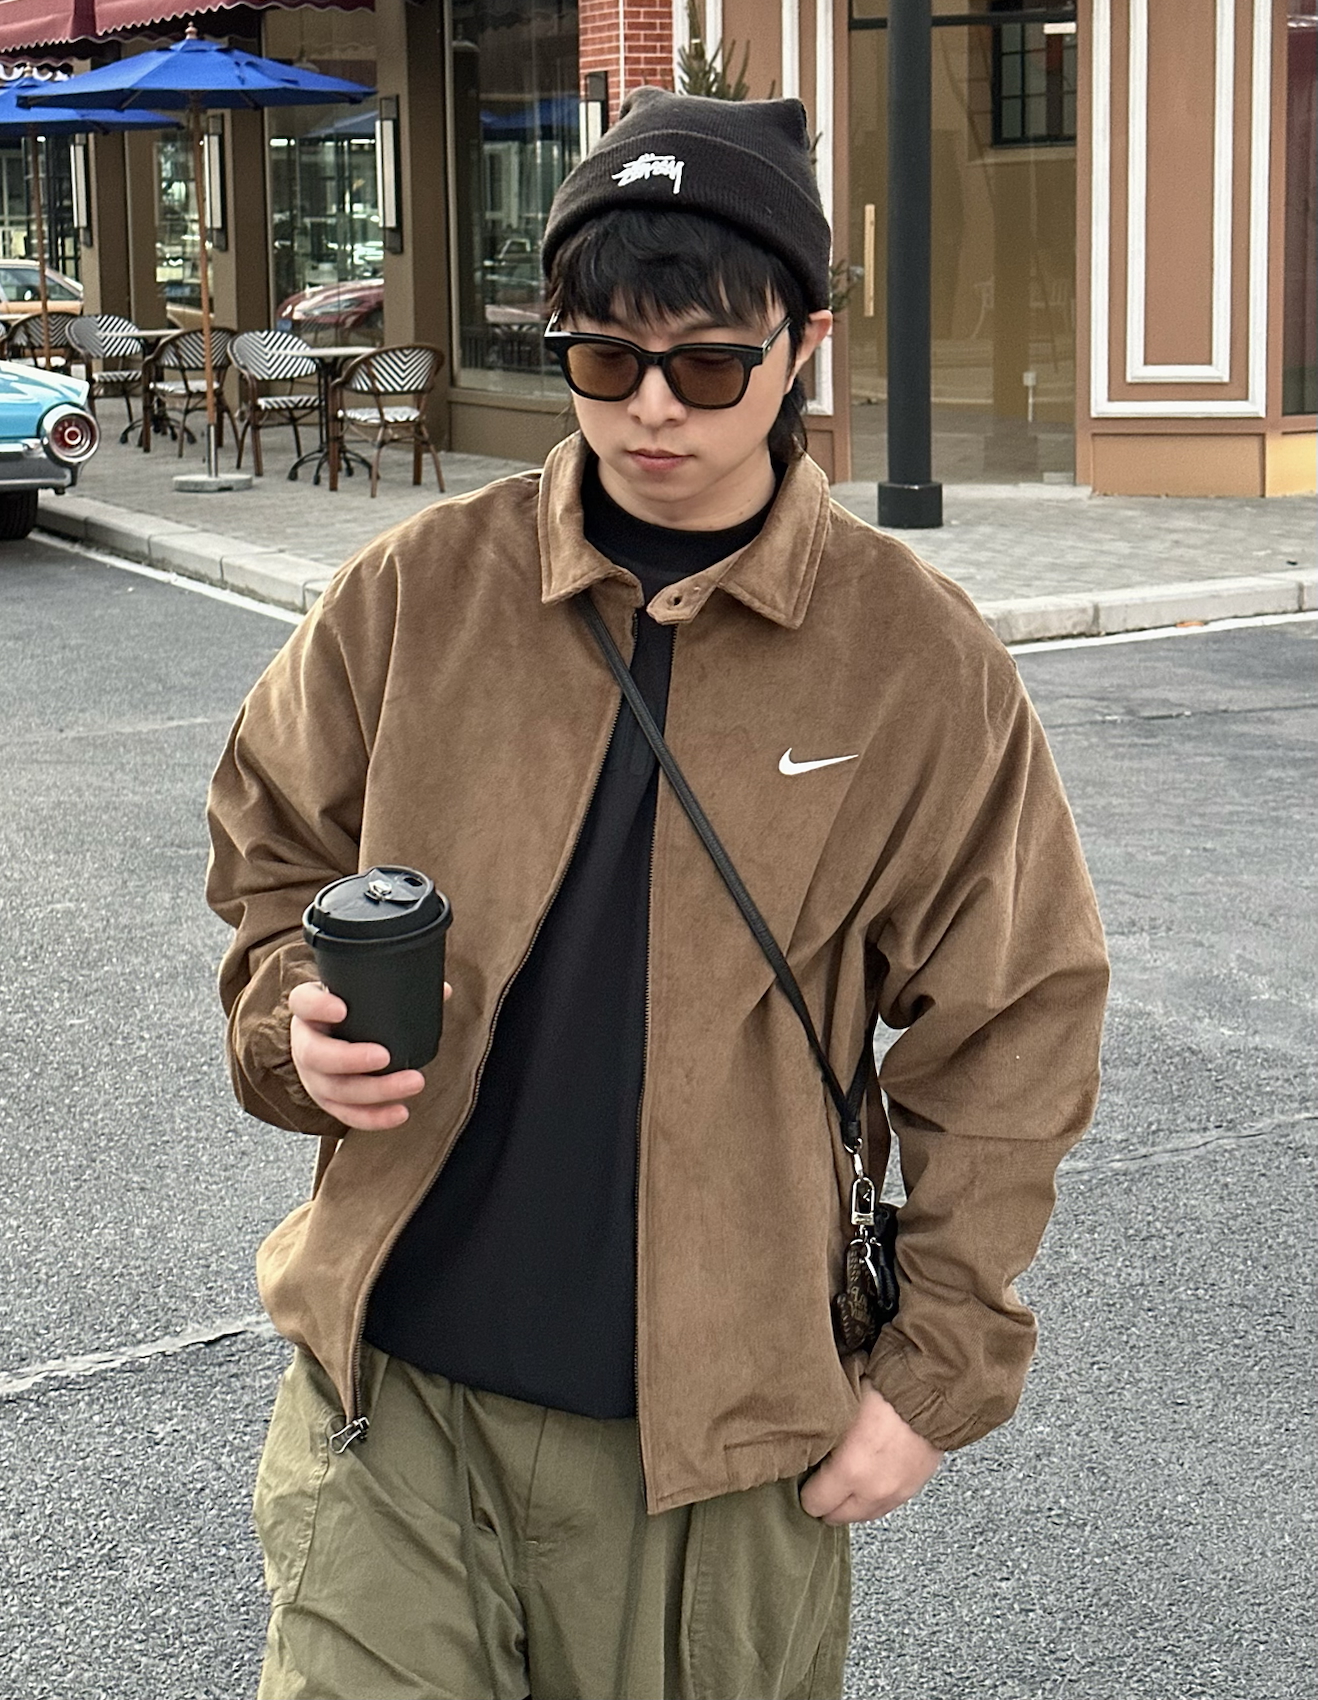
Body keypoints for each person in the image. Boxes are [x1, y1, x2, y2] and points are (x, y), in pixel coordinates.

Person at [206, 87, 1108, 1700]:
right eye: (603, 360)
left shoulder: (915, 659)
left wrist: (941, 1365)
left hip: (711, 1460)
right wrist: (293, 1030)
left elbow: (1016, 1019)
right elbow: (271, 847)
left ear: (803, 344)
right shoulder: (420, 589)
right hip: (388, 1407)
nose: (650, 412)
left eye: (707, 365)